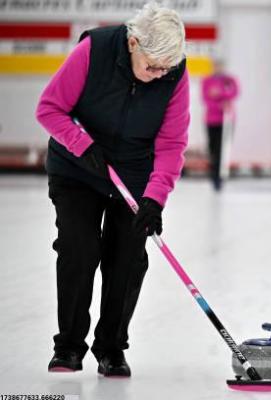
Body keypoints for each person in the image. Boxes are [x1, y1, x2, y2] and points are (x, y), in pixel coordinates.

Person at [35, 2, 190, 377]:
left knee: (128, 258)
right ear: (134, 43)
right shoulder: (94, 50)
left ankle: (112, 349)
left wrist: (154, 200)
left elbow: (171, 144)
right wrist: (80, 144)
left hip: (135, 174)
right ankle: (69, 347)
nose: (158, 76)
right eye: (152, 66)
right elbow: (49, 108)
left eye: (165, 69)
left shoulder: (173, 74)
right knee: (79, 249)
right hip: (78, 167)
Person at [201, 59, 239, 191]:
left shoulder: (230, 80)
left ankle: (221, 177)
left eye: (220, 65)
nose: (218, 68)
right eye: (216, 66)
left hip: (227, 121)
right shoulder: (207, 81)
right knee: (213, 150)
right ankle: (214, 176)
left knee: (223, 150)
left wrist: (218, 93)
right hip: (212, 120)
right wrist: (221, 103)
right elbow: (206, 99)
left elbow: (234, 93)